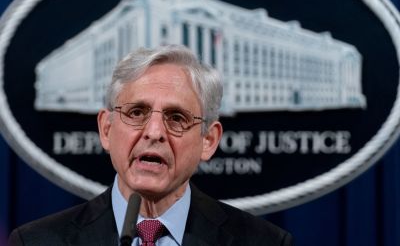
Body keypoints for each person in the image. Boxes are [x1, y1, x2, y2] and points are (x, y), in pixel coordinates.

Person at [8, 45, 293, 245]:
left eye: (177, 118)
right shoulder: (36, 242)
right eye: (136, 113)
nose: (154, 132)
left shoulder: (264, 242)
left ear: (208, 140)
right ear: (106, 129)